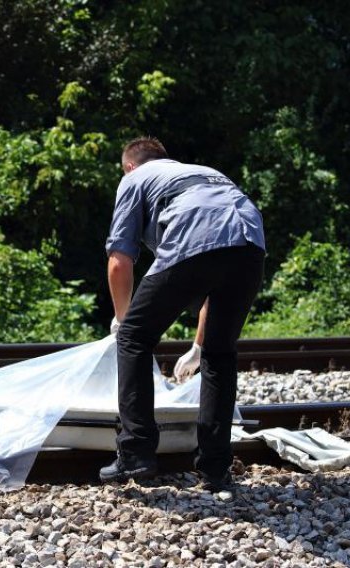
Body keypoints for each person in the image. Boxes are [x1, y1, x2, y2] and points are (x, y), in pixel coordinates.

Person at [99, 136, 265, 491]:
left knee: (134, 338)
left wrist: (122, 319)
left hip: (200, 239)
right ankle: (217, 469)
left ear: (129, 166)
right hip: (251, 243)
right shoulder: (202, 175)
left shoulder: (135, 178)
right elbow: (213, 264)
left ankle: (135, 452)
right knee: (219, 354)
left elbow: (119, 261)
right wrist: (197, 345)